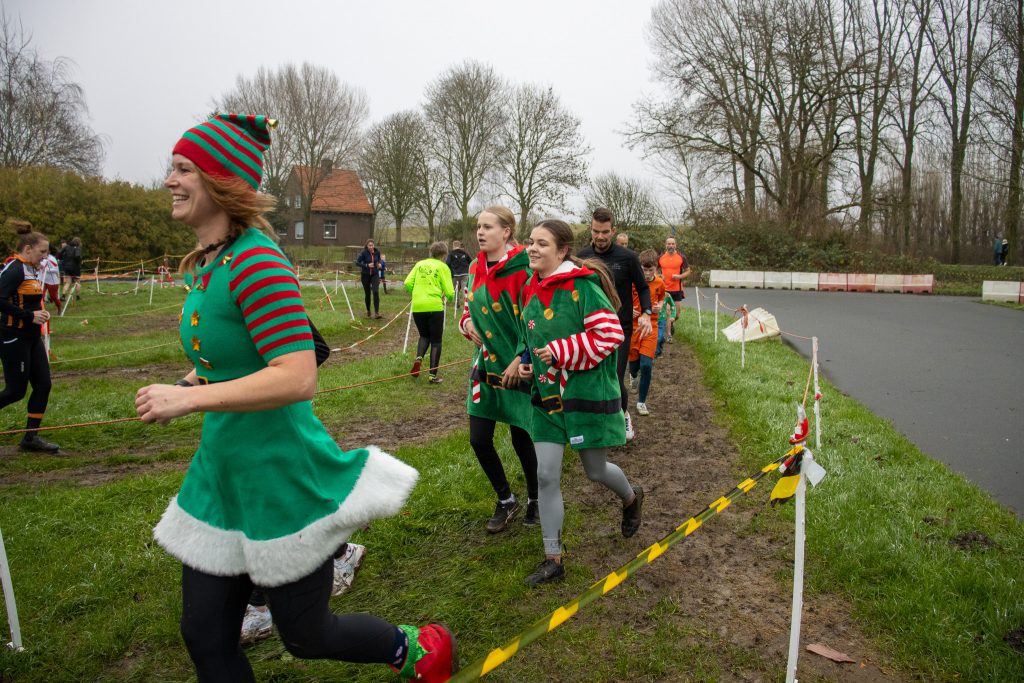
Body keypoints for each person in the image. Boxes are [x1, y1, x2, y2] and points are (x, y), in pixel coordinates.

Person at [135, 113, 455, 682]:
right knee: (205, 635)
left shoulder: (258, 260)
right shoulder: (211, 264)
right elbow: (235, 353)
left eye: (184, 169)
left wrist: (189, 402)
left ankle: (416, 648)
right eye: (172, 167)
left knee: (307, 635)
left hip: (278, 471)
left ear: (221, 180)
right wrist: (194, 381)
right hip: (223, 470)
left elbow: (297, 375)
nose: (169, 180)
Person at [517, 219, 644, 586]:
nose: (533, 249)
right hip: (546, 397)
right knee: (545, 475)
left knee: (595, 470)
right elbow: (534, 334)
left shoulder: (582, 288)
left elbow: (610, 335)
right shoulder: (530, 288)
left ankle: (631, 497)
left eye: (542, 244)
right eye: (531, 242)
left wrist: (559, 352)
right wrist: (527, 361)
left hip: (583, 396)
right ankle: (553, 558)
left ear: (562, 251)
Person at [457, 206, 539, 533]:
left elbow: (533, 316)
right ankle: (506, 499)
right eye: (478, 226)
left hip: (518, 366)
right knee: (479, 439)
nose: (480, 232)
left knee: (522, 436)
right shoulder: (476, 266)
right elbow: (468, 305)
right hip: (485, 366)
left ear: (506, 231)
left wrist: (522, 356)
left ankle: (535, 498)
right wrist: (465, 322)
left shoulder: (523, 268)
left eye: (488, 227)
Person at [577, 208, 651, 442]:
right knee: (591, 376)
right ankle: (596, 422)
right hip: (590, 328)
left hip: (620, 329)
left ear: (613, 231)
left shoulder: (627, 257)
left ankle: (623, 414)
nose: (600, 237)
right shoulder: (582, 256)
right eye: (596, 231)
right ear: (591, 228)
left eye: (605, 232)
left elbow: (643, 287)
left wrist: (647, 313)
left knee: (615, 377)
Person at [0, 220, 59, 453]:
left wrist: (39, 313)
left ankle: (30, 438)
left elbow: (28, 299)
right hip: (12, 336)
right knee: (15, 391)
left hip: (32, 338)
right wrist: (28, 315)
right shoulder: (14, 268)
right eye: (42, 252)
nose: (45, 257)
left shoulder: (30, 269)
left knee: (43, 384)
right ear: (28, 249)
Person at [405, 242, 454, 384]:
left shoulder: (419, 264)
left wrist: (415, 294)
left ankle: (419, 358)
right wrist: (449, 297)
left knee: (424, 335)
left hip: (418, 306)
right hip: (434, 306)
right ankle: (432, 376)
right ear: (444, 255)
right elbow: (450, 291)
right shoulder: (443, 267)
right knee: (436, 341)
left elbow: (407, 282)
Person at [627, 250, 666, 417]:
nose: (648, 274)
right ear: (639, 268)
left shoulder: (659, 283)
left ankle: (641, 402)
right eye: (644, 269)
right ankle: (633, 374)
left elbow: (662, 298)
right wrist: (629, 311)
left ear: (656, 268)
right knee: (634, 365)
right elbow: (620, 301)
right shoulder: (631, 283)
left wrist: (660, 306)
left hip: (651, 326)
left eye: (651, 270)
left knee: (646, 365)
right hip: (633, 328)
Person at [658, 235, 690, 320]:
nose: (671, 245)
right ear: (666, 245)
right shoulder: (661, 257)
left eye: (673, 244)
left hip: (677, 289)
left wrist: (679, 276)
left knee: (676, 315)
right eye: (669, 244)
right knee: (667, 312)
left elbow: (688, 271)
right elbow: (654, 270)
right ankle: (668, 330)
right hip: (665, 289)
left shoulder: (681, 257)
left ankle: (671, 324)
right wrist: (659, 276)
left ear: (675, 245)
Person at [355, 238, 383, 318]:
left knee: (375, 292)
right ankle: (368, 311)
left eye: (372, 245)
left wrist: (379, 264)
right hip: (365, 275)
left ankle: (377, 313)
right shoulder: (363, 253)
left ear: (374, 245)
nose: (371, 247)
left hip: (375, 275)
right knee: (368, 294)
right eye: (369, 245)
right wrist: (367, 265)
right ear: (367, 246)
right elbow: (357, 263)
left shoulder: (377, 252)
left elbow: (379, 260)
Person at [446, 239, 472, 312]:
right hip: (465, 274)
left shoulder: (451, 254)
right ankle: (468, 306)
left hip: (455, 274)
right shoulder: (465, 253)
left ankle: (457, 306)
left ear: (453, 246)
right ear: (460, 246)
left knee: (456, 290)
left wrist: (450, 272)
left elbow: (447, 264)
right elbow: (471, 262)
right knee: (465, 290)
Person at [59, 236, 83, 302]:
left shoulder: (67, 247)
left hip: (67, 267)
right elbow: (77, 256)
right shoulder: (77, 248)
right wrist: (80, 261)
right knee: (77, 282)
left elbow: (59, 253)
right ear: (78, 242)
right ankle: (77, 296)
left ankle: (63, 296)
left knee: (68, 282)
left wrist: (62, 259)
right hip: (75, 268)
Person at [655, 292, 676, 358]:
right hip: (651, 319)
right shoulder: (650, 292)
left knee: (660, 337)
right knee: (654, 337)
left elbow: (673, 305)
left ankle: (658, 352)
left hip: (662, 319)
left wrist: (673, 315)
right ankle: (656, 352)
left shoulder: (667, 295)